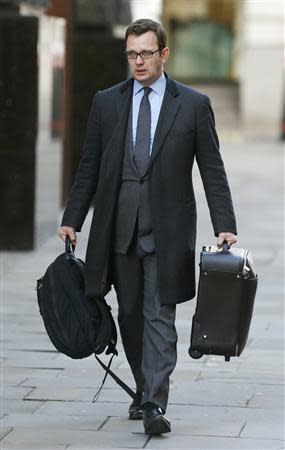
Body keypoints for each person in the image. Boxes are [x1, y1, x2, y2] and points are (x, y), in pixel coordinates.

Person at [58, 18, 237, 435]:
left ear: (164, 54)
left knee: (160, 315)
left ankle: (155, 401)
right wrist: (72, 218)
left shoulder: (192, 105)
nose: (138, 62)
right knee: (131, 316)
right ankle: (143, 387)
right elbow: (89, 166)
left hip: (167, 231)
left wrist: (224, 223)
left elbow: (212, 169)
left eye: (146, 53)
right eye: (132, 54)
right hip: (118, 230)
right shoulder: (107, 102)